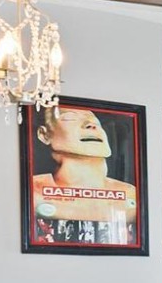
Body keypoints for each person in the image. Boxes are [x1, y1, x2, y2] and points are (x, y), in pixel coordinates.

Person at [27, 103, 139, 247]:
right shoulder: (33, 192)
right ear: (44, 135)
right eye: (70, 119)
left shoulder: (131, 194)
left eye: (96, 122)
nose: (90, 125)